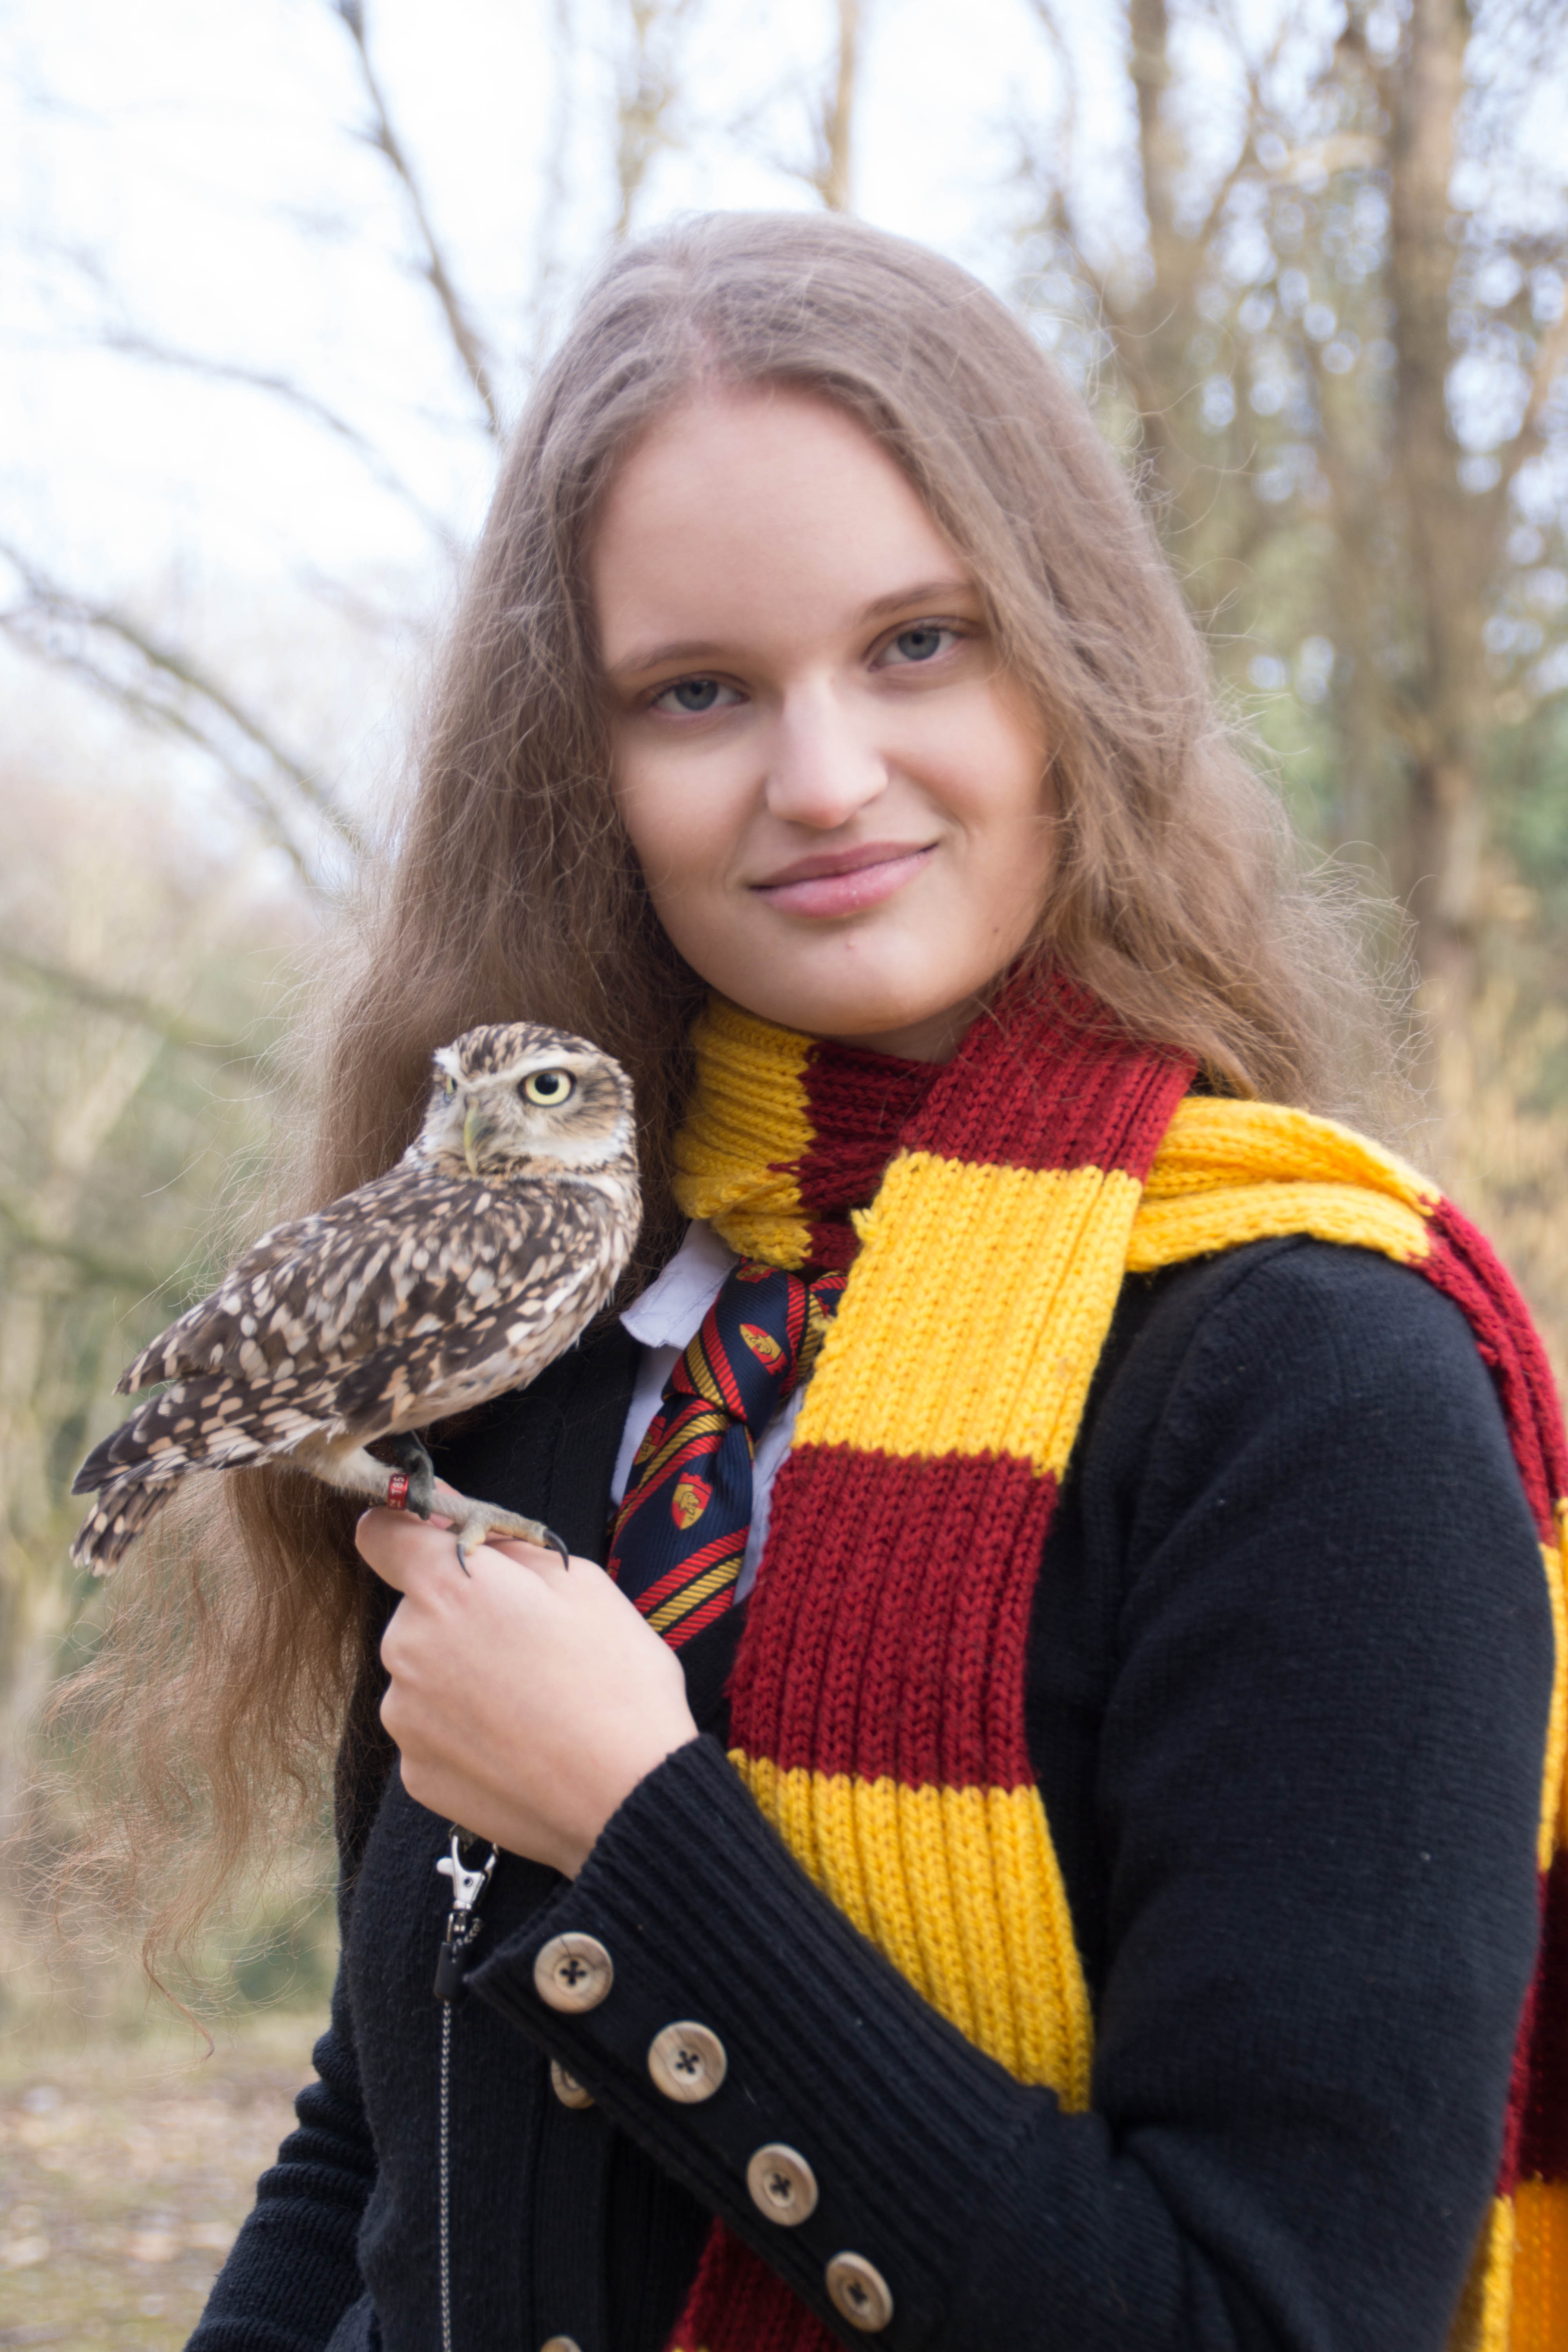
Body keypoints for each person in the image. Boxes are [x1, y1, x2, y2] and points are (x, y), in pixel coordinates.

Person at [163, 212, 1564, 2352]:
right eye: (697, 690)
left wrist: (641, 1836)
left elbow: (1275, 2320)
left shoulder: (1316, 1389)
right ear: (586, 769)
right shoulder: (550, 1320)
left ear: (1078, 665)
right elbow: (389, 2127)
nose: (821, 780)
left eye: (920, 643)